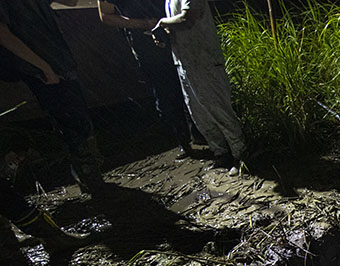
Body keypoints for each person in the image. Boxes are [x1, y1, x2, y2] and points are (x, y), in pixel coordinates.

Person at [0, 0, 104, 193]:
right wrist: (43, 67)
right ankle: (89, 178)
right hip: (40, 68)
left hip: (59, 60)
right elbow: (3, 34)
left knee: (79, 118)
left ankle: (91, 174)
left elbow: (71, 2)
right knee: (70, 122)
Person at [153, 0, 246, 176]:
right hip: (184, 60)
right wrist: (164, 34)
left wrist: (163, 23)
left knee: (217, 108)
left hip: (204, 59)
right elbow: (176, 23)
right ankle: (221, 152)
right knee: (198, 112)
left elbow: (188, 18)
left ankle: (240, 154)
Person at [96, 0, 196, 159]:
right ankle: (183, 138)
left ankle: (201, 131)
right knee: (165, 92)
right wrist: (142, 24)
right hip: (145, 40)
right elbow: (106, 15)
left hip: (176, 29)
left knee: (190, 81)